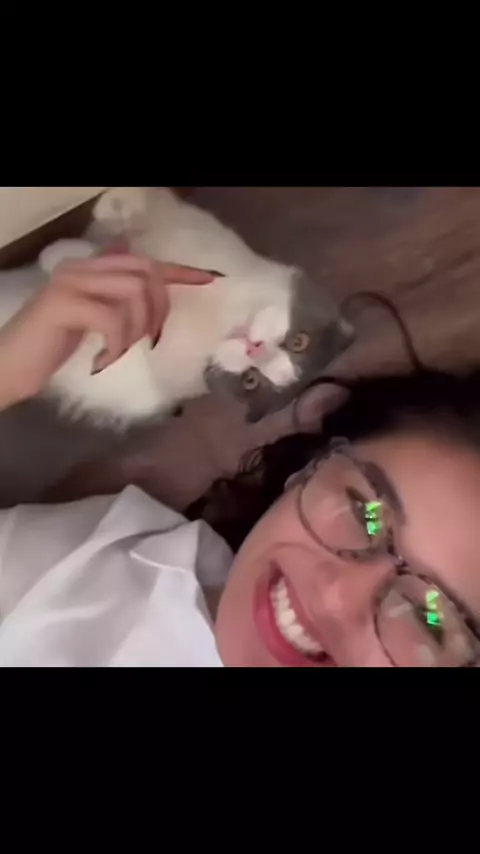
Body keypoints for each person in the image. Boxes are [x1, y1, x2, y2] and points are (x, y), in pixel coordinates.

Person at [0, 254, 479, 667]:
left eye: (431, 622)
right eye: (364, 512)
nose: (336, 599)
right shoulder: (116, 555)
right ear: (307, 469)